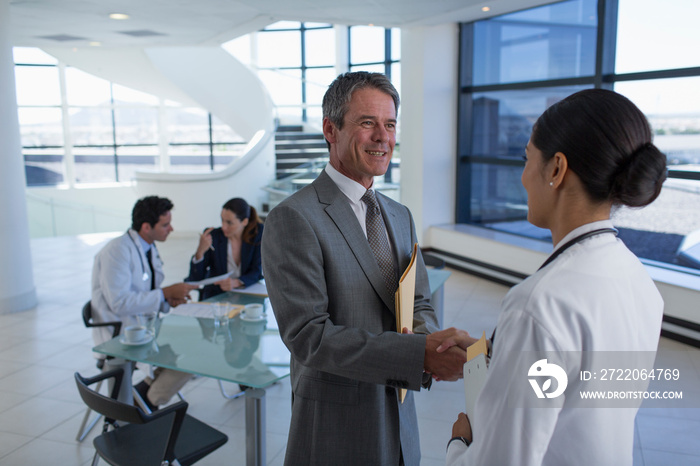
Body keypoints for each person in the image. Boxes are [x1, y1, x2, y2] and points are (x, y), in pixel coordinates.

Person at [443, 89, 667, 465]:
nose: (524, 177)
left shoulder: (539, 304)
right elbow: (581, 383)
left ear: (556, 169)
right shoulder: (636, 279)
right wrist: (501, 355)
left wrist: (459, 444)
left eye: (527, 158)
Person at [262, 71, 467, 466]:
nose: (383, 137)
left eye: (389, 124)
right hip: (335, 429)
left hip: (401, 423)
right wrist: (417, 356)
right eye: (367, 123)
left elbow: (419, 301)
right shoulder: (293, 218)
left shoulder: (399, 215)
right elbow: (309, 337)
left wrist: (432, 344)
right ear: (330, 129)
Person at [91, 195, 198, 410]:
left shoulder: (147, 246)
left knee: (196, 344)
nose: (171, 229)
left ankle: (145, 392)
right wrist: (164, 293)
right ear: (146, 227)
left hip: (143, 327)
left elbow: (148, 292)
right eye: (165, 224)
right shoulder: (117, 251)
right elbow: (119, 303)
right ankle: (148, 404)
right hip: (120, 335)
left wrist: (168, 299)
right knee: (192, 357)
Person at [186, 197, 264, 300]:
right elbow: (196, 278)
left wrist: (236, 282)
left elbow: (257, 270)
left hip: (248, 292)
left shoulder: (257, 234)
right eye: (222, 220)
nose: (223, 227)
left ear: (244, 222)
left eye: (229, 223)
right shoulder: (213, 236)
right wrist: (200, 251)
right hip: (217, 296)